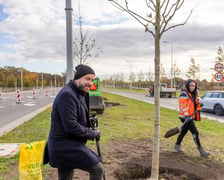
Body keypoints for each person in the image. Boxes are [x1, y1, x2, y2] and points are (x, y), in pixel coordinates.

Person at [47, 64, 104, 180]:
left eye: (92, 80)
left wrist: (89, 120)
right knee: (98, 169)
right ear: (78, 78)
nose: (90, 83)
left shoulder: (78, 92)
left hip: (66, 145)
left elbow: (76, 114)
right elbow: (71, 126)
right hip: (64, 146)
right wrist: (92, 134)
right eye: (87, 79)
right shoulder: (67, 95)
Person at [174, 79, 210, 157]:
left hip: (190, 116)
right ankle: (201, 151)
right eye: (190, 86)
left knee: (183, 132)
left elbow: (196, 104)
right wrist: (186, 116)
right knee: (195, 132)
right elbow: (182, 106)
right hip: (184, 116)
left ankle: (177, 147)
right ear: (187, 85)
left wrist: (200, 105)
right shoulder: (184, 94)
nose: (192, 87)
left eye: (193, 86)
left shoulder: (194, 94)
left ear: (195, 86)